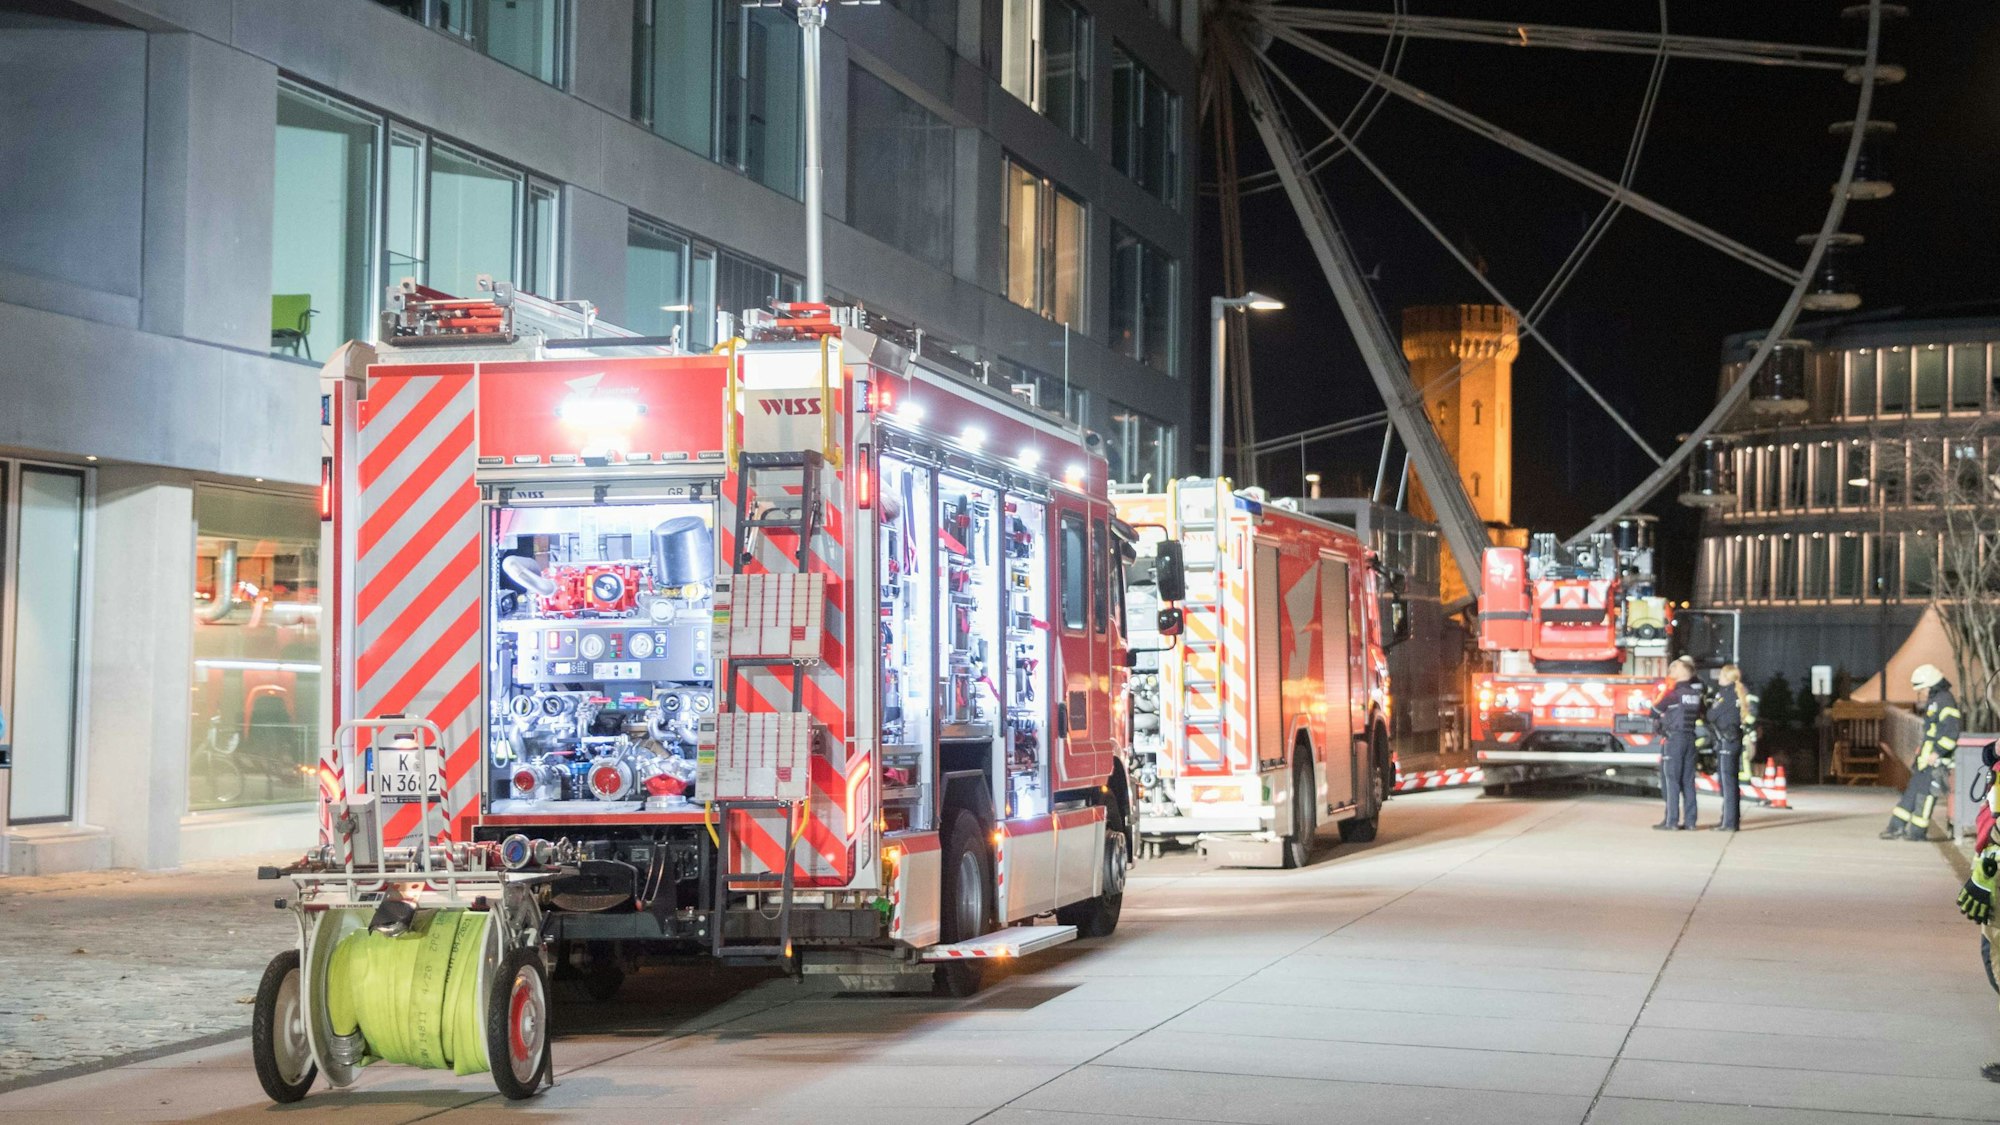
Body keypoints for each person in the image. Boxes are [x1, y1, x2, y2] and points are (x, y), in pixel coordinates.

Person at [1883, 662, 1963, 842]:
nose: (1922, 692)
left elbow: (1951, 733)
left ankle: (1915, 832)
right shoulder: (1937, 700)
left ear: (1931, 685)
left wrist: (1937, 752)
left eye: (1923, 688)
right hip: (1926, 759)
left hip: (1936, 761)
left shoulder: (1944, 701)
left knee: (1925, 797)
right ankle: (1896, 827)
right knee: (1913, 793)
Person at [1652, 656, 1705, 831]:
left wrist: (1661, 720)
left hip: (1674, 739)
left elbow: (1653, 711)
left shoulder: (1673, 694)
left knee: (1672, 780)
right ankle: (1690, 822)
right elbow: (1701, 713)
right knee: (1688, 781)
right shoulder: (1695, 695)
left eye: (1674, 669)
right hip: (1690, 738)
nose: (1671, 671)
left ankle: (1671, 821)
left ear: (1682, 672)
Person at [1707, 665, 1749, 831]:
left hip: (1726, 741)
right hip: (1733, 740)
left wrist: (1710, 706)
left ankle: (1729, 823)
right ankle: (1729, 819)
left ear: (1726, 677)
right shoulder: (1738, 693)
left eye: (1721, 675)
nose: (1719, 677)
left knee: (1727, 783)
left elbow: (1711, 715)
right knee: (1730, 782)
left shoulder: (1726, 695)